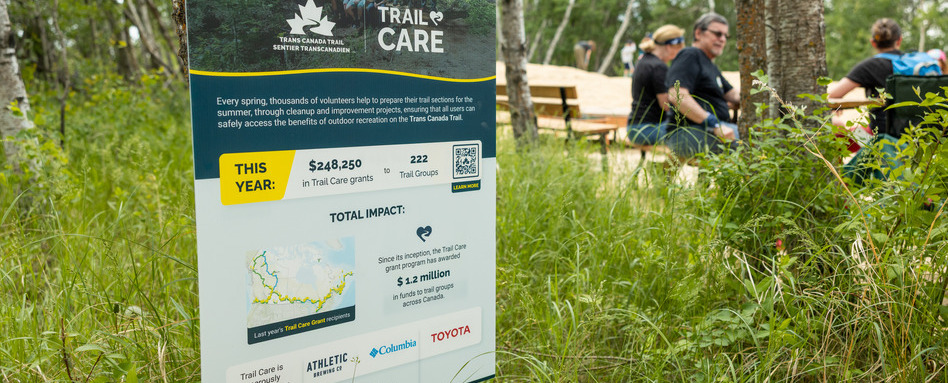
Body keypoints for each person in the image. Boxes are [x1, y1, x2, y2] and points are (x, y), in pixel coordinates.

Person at [828, 18, 906, 184]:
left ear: (873, 43)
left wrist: (835, 108)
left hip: (877, 139)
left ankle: (837, 185)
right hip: (921, 138)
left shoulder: (870, 66)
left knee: (834, 125)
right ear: (899, 40)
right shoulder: (916, 64)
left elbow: (832, 96)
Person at [664, 12, 740, 159]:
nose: (722, 39)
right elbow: (676, 95)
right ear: (698, 33)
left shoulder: (710, 65)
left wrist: (765, 89)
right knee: (755, 142)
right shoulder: (690, 55)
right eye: (717, 33)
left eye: (726, 36)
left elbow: (734, 95)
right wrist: (715, 125)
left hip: (709, 130)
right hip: (688, 132)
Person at [626, 25, 685, 146]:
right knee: (693, 132)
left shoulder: (644, 60)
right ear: (669, 47)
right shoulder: (658, 67)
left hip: (635, 127)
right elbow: (666, 105)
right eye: (679, 50)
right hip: (648, 129)